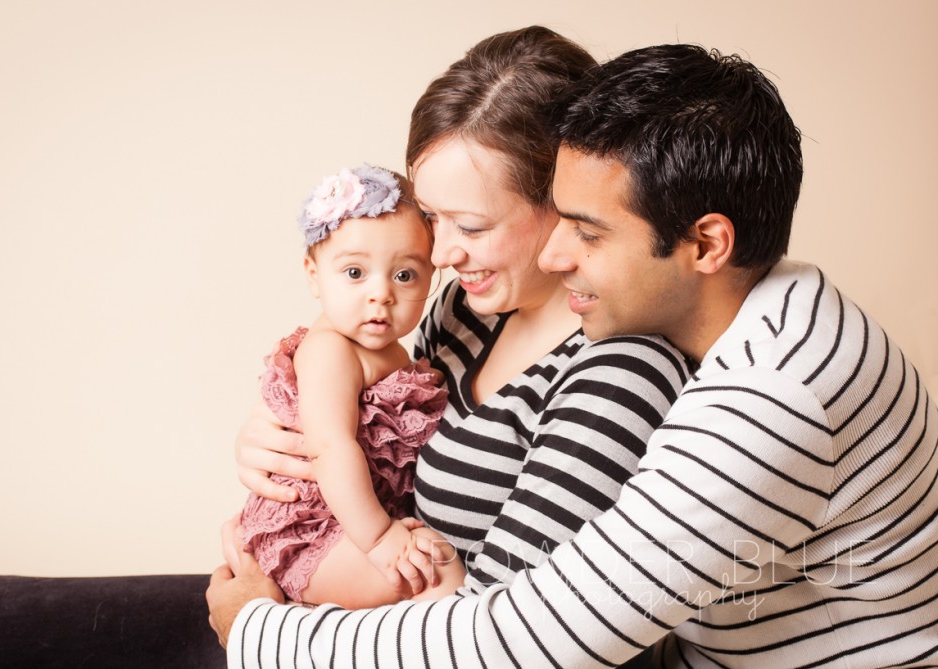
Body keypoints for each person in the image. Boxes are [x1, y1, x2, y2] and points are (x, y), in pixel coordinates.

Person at [207, 43, 938, 669]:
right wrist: (295, 426)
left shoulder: (769, 394)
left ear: (708, 245)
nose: (558, 257)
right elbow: (378, 422)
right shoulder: (481, 309)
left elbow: (529, 647)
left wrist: (260, 635)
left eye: (584, 231)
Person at [225, 25, 689, 605]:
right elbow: (379, 434)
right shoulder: (466, 309)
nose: (440, 256)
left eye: (469, 226)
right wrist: (277, 443)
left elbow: (505, 637)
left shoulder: (617, 371)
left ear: (563, 200)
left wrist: (254, 623)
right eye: (432, 218)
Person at [230, 163, 463, 609]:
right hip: (311, 531)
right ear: (314, 274)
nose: (381, 294)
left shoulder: (391, 350)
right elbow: (331, 448)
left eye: (404, 275)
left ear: (431, 278)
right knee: (436, 574)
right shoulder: (330, 351)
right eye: (355, 273)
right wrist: (379, 538)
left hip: (354, 520)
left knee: (434, 568)